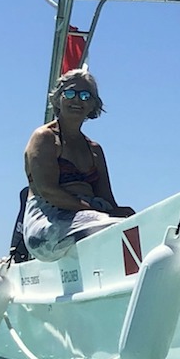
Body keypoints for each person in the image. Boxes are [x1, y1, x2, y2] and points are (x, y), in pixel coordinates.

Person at [21, 68, 136, 262]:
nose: (77, 100)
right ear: (58, 99)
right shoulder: (45, 138)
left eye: (85, 95)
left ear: (93, 105)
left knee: (136, 222)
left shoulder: (95, 150)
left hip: (94, 215)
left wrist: (130, 215)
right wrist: (93, 210)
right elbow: (48, 191)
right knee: (109, 227)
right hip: (49, 220)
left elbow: (107, 199)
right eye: (70, 93)